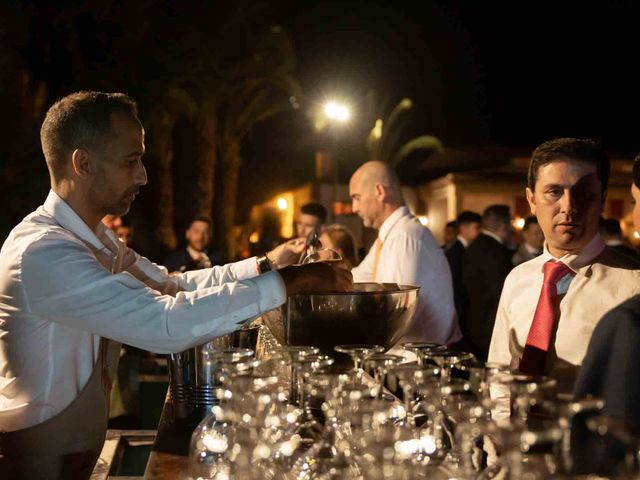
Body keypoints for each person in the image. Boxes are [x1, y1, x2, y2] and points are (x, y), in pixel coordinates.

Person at [0, 91, 352, 479]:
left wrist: (268, 264)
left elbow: (172, 286)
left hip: (72, 458)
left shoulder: (96, 239)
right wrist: (290, 282)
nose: (143, 176)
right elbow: (162, 323)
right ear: (82, 163)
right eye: (131, 161)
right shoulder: (43, 253)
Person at [488, 138, 640, 420]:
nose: (568, 206)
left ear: (603, 200)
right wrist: (498, 436)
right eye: (554, 192)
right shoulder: (517, 279)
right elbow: (500, 372)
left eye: (584, 194)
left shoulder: (632, 285)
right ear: (531, 200)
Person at [349, 160, 460, 345]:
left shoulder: (405, 236)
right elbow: (355, 280)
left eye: (357, 197)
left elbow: (394, 313)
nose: (354, 208)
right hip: (405, 359)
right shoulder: (390, 236)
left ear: (379, 191)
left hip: (420, 364)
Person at [461, 205, 513, 360]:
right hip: (490, 326)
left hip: (473, 323)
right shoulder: (496, 252)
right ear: (504, 226)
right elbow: (502, 293)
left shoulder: (474, 246)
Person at [445, 211, 482, 323]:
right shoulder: (455, 251)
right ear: (463, 228)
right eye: (476, 227)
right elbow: (455, 282)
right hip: (459, 307)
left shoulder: (469, 248)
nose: (479, 231)